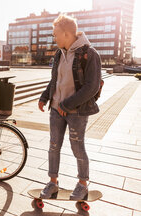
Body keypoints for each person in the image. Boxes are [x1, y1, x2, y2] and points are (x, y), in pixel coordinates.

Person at [38, 14, 102, 200]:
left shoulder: (90, 54)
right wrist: (44, 97)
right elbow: (55, 80)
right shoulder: (60, 53)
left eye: (56, 34)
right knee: (53, 146)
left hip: (77, 112)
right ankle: (52, 182)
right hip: (57, 110)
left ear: (66, 34)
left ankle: (82, 184)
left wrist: (67, 104)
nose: (54, 37)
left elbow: (92, 87)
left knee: (77, 147)